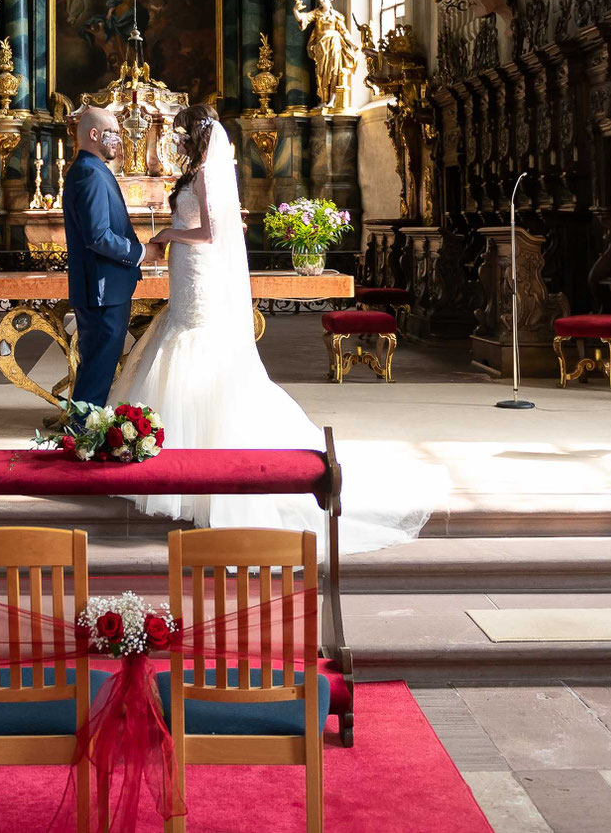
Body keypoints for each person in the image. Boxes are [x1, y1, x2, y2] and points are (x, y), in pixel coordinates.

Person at [109, 105, 439, 552]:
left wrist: (168, 236)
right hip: (186, 273)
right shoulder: (196, 172)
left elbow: (209, 233)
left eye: (183, 132)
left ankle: (203, 474)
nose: (178, 139)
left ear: (200, 134)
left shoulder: (208, 174)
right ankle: (179, 473)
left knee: (195, 347)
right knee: (177, 340)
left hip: (199, 268)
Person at [62, 105, 145, 409]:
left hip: (106, 290)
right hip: (102, 292)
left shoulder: (93, 169)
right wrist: (140, 252)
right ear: (94, 134)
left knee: (97, 371)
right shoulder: (89, 173)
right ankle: (81, 438)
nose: (119, 141)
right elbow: (98, 237)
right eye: (114, 134)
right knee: (96, 375)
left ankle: (83, 436)